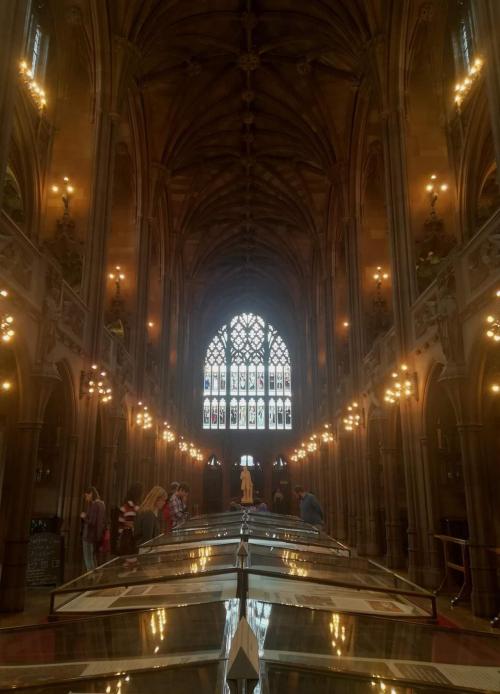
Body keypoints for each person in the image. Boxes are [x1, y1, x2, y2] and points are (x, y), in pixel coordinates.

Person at [81, 486, 106, 571]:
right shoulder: (102, 504)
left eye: (86, 496)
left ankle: (91, 580)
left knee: (88, 560)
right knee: (94, 558)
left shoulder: (94, 505)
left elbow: (92, 522)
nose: (86, 498)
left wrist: (84, 517)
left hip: (89, 536)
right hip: (96, 536)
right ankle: (96, 579)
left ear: (91, 494)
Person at [116, 482, 143, 555]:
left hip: (126, 536)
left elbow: (120, 522)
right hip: (132, 537)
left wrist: (119, 538)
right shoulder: (137, 506)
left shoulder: (125, 505)